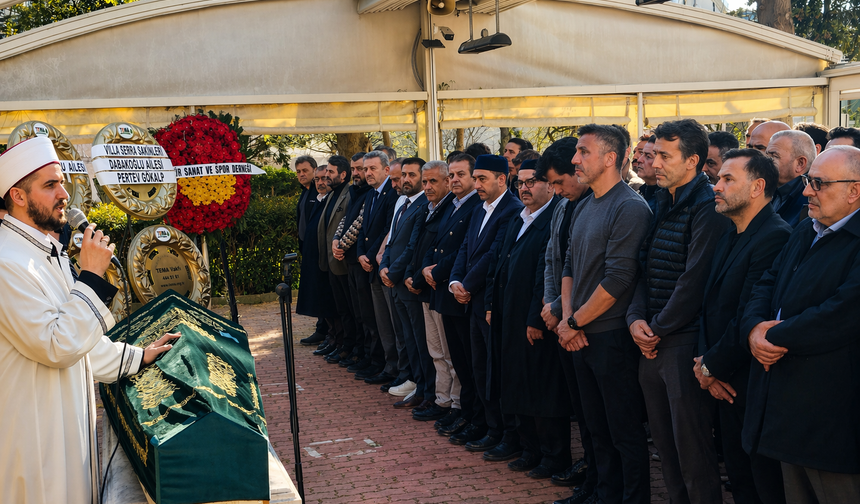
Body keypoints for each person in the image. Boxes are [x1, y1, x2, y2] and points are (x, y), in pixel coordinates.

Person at [0, 137, 178, 504]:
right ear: (18, 195)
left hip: (67, 428)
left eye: (62, 181)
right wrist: (93, 277)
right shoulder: (6, 261)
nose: (65, 194)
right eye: (50, 185)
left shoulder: (46, 251)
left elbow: (80, 341)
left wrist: (136, 356)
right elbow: (56, 345)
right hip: (34, 436)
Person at [741, 145, 860, 503]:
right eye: (809, 181)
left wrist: (771, 335)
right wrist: (753, 329)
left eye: (819, 183)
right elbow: (766, 281)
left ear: (854, 190)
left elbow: (841, 313)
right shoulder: (806, 228)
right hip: (783, 414)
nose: (807, 190)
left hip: (831, 423)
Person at [627, 118, 730, 504]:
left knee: (693, 452)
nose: (654, 164)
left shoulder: (707, 205)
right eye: (654, 156)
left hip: (682, 343)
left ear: (693, 161)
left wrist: (655, 329)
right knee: (666, 450)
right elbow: (643, 265)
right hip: (650, 340)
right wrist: (635, 319)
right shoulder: (660, 199)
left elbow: (695, 280)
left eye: (665, 156)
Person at [555, 125, 652, 504]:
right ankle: (600, 492)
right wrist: (568, 320)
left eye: (583, 152)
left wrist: (575, 322)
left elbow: (619, 278)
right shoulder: (585, 204)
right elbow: (568, 267)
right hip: (577, 332)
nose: (575, 159)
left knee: (623, 431)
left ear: (611, 158)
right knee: (594, 428)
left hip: (610, 338)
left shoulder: (629, 207)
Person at [693, 149, 791, 504]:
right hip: (722, 379)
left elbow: (749, 314)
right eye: (719, 178)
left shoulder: (774, 236)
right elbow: (710, 306)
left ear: (757, 187)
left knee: (761, 483)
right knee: (738, 477)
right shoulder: (730, 231)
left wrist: (710, 366)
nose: (716, 185)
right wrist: (707, 362)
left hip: (748, 382)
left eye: (727, 179)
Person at [487, 158, 569, 480]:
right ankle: (528, 448)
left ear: (550, 184)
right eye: (519, 182)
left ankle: (554, 456)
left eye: (531, 181)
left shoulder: (552, 219)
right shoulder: (517, 218)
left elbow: (546, 272)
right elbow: (501, 265)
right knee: (517, 385)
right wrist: (493, 304)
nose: (524, 188)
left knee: (543, 391)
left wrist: (536, 316)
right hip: (509, 316)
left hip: (535, 322)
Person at [449, 154, 524, 460]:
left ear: (502, 179)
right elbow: (466, 248)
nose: (476, 185)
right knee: (479, 368)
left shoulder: (513, 210)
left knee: (497, 371)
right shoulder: (480, 209)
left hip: (491, 301)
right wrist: (456, 280)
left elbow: (494, 255)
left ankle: (508, 433)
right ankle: (491, 427)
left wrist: (467, 284)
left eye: (481, 179)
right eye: (475, 178)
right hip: (472, 300)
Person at [537, 137, 599, 503]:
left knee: (597, 417)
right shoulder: (564, 205)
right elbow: (554, 258)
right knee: (582, 409)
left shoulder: (601, 203)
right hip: (563, 319)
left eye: (560, 182)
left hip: (584, 324)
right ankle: (591, 474)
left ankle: (599, 479)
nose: (557, 191)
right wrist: (551, 303)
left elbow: (606, 274)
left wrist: (565, 314)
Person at [422, 153, 483, 441]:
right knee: (454, 358)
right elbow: (437, 242)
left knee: (467, 364)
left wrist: (440, 271)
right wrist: (426, 268)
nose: (455, 179)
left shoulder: (475, 205)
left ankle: (468, 413)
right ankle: (463, 413)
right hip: (442, 288)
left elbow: (462, 248)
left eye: (461, 174)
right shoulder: (453, 204)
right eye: (453, 175)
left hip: (457, 290)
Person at [407, 160, 457, 422]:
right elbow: (420, 246)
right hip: (426, 287)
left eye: (433, 181)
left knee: (448, 354)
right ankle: (441, 399)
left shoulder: (451, 207)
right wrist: (414, 275)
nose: (427, 187)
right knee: (435, 351)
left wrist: (425, 275)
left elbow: (448, 250)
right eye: (424, 182)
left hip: (442, 289)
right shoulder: (429, 208)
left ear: (447, 181)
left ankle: (453, 405)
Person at [380, 158, 430, 409]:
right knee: (407, 338)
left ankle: (423, 387)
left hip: (406, 283)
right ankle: (416, 383)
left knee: (418, 340)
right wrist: (383, 266)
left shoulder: (423, 205)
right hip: (395, 282)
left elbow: (412, 246)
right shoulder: (403, 203)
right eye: (404, 175)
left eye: (412, 175)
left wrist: (394, 272)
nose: (406, 180)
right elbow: (391, 241)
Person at [356, 151, 402, 387]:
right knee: (381, 322)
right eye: (365, 169)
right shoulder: (370, 195)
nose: (367, 173)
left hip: (383, 265)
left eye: (372, 168)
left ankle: (397, 369)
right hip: (370, 265)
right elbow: (363, 229)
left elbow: (387, 229)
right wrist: (360, 254)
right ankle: (389, 364)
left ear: (386, 169)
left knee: (392, 323)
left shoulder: (392, 194)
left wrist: (372, 254)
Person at [333, 152, 380, 375]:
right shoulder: (355, 191)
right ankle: (361, 352)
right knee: (357, 312)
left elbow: (360, 224)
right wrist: (336, 239)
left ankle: (371, 356)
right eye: (355, 169)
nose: (358, 173)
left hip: (363, 262)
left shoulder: (371, 193)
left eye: (362, 168)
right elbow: (346, 220)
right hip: (352, 261)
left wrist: (341, 245)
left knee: (368, 314)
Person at [318, 156, 359, 365]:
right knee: (341, 308)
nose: (326, 176)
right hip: (331, 261)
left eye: (331, 172)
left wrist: (340, 245)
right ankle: (343, 344)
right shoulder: (331, 195)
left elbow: (350, 223)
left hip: (343, 261)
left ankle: (351, 348)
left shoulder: (349, 194)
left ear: (343, 175)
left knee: (351, 309)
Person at [298, 165, 337, 355]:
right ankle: (330, 336)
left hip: (329, 260)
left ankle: (333, 337)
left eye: (324, 179)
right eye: (318, 180)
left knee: (330, 302)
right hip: (315, 258)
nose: (321, 183)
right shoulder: (317, 199)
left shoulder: (331, 200)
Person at [294, 155, 328, 346]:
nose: (301, 174)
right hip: (307, 249)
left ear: (315, 170)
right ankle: (322, 328)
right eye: (298, 172)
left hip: (320, 252)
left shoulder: (319, 193)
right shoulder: (305, 192)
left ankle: (324, 330)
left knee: (321, 291)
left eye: (305, 170)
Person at [766, 130, 816, 228]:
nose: (765, 162)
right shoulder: (769, 189)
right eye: (766, 156)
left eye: (774, 157)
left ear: (800, 164)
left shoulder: (811, 199)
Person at [637, 136, 659, 213]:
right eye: (642, 153)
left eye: (648, 157)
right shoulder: (640, 191)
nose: (639, 160)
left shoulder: (665, 201)